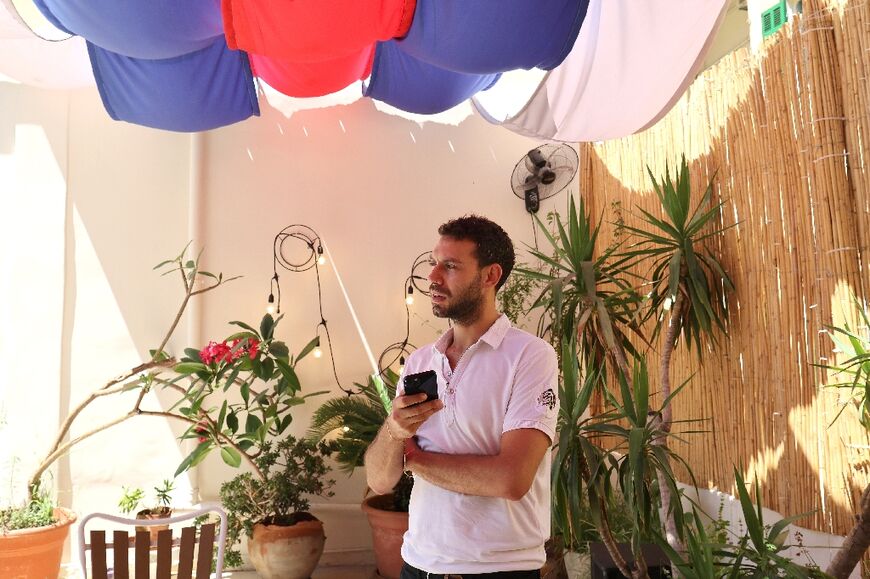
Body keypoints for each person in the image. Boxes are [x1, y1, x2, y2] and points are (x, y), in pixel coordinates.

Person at [365, 215, 559, 579]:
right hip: (418, 565)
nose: (433, 276)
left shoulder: (530, 356)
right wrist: (393, 430)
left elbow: (511, 479)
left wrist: (415, 459)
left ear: (490, 276)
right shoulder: (420, 362)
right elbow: (379, 481)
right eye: (434, 263)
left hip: (501, 570)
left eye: (450, 266)